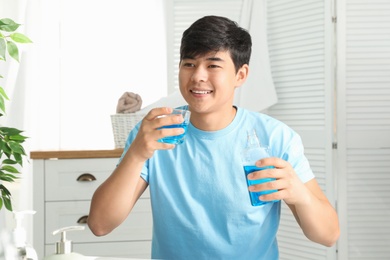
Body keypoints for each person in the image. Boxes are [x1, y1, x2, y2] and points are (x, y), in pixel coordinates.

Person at [88, 15, 340, 259]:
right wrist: (136, 154)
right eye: (189, 64)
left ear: (240, 75)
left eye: (213, 65)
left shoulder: (275, 137)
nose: (198, 76)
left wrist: (299, 193)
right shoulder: (155, 133)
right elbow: (100, 224)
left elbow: (328, 235)